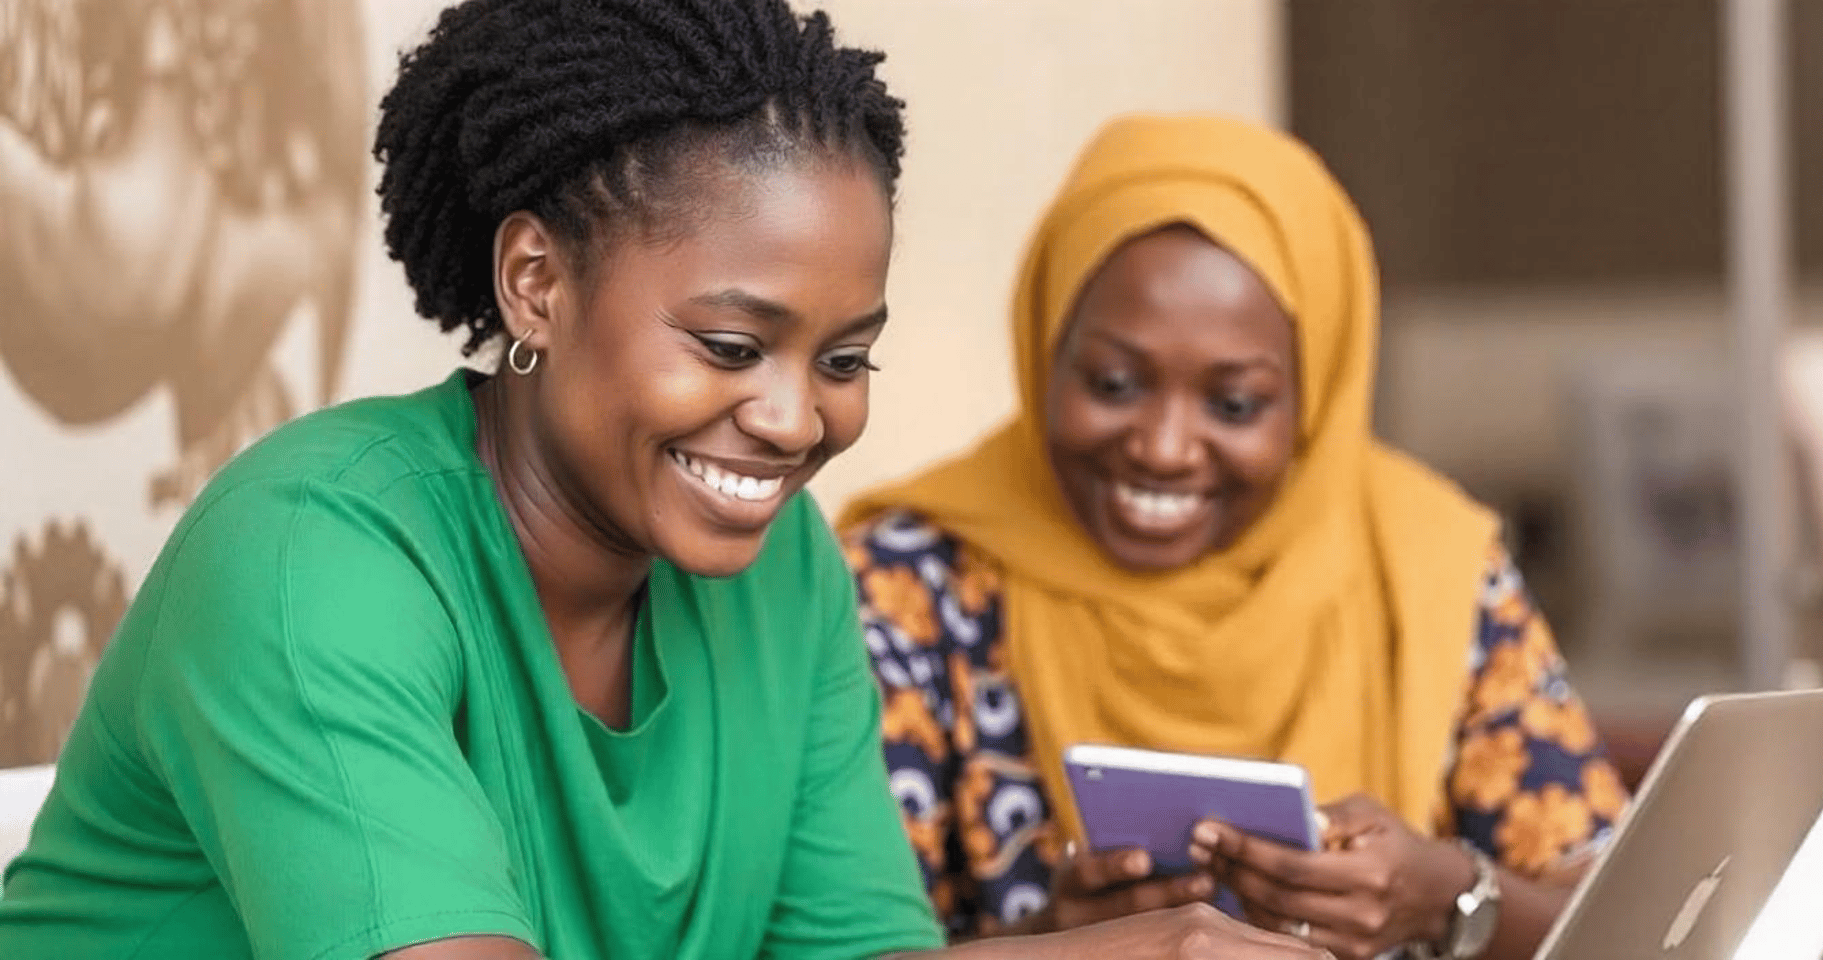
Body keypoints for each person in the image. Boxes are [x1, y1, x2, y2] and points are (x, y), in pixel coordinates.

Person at [0, 7, 1324, 960]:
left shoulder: (785, 569)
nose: (798, 418)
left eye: (846, 356)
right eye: (732, 348)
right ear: (537, 282)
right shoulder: (312, 561)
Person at [840, 114, 1629, 960]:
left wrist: (1451, 898)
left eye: (1235, 404)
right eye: (1113, 382)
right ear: (1044, 350)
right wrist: (1056, 946)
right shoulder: (909, 585)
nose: (1164, 448)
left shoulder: (1431, 568)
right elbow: (837, 941)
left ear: (1313, 397)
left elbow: (1645, 922)